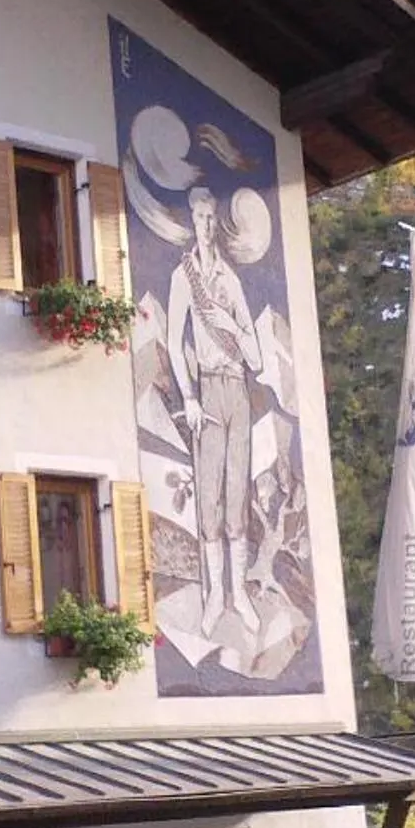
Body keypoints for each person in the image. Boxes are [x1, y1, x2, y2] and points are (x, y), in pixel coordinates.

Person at [168, 186, 263, 636]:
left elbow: (256, 358)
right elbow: (173, 342)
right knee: (209, 495)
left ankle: (238, 593)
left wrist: (232, 328)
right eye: (200, 217)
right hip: (206, 389)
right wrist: (188, 397)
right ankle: (214, 598)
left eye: (211, 217)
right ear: (192, 221)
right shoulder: (183, 276)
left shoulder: (231, 280)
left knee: (237, 492)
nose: (206, 225)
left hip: (236, 388)